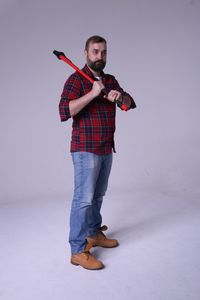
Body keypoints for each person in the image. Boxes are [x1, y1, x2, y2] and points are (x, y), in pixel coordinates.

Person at [59, 35, 135, 270]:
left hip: (105, 147)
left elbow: (130, 103)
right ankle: (77, 250)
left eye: (103, 52)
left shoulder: (110, 80)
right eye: (95, 52)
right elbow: (64, 111)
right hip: (85, 149)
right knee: (83, 200)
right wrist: (93, 93)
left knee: (98, 196)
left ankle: (93, 233)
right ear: (86, 53)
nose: (99, 56)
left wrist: (118, 96)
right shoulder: (75, 80)